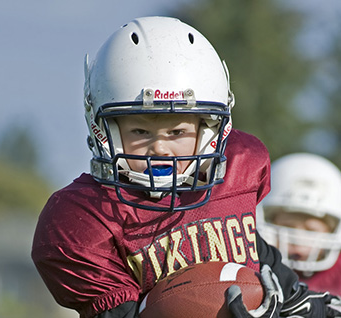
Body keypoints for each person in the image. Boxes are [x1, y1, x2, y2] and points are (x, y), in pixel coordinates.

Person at [31, 16, 341, 318]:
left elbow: (259, 257)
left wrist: (300, 304)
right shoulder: (84, 218)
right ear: (103, 129)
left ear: (211, 128)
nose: (160, 148)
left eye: (177, 132)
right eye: (140, 131)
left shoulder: (238, 170)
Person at [257, 153, 341, 296]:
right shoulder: (251, 269)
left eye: (311, 229)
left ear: (332, 229)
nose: (298, 240)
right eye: (288, 226)